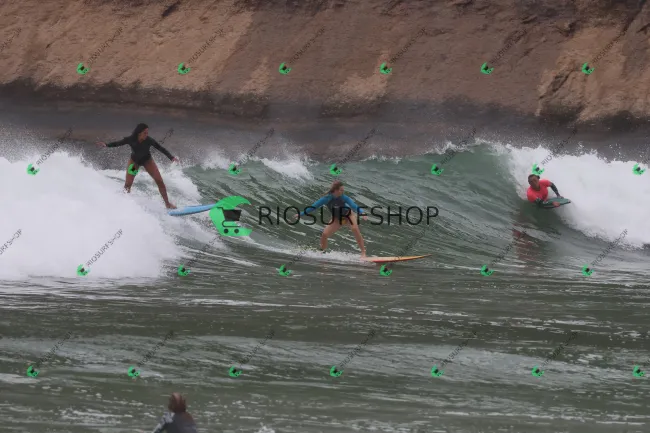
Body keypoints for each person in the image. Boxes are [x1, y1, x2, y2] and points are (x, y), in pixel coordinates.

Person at [96, 123, 179, 209]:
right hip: (135, 163)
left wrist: (171, 157)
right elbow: (118, 143)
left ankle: (167, 204)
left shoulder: (149, 140)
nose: (146, 135)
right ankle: (124, 204)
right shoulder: (131, 139)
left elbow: (160, 148)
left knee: (159, 181)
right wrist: (106, 145)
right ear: (139, 133)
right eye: (145, 133)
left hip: (147, 161)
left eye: (147, 133)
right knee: (128, 184)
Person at [295, 180, 368, 257]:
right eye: (341, 190)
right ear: (336, 190)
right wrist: (301, 214)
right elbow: (313, 207)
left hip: (348, 216)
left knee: (354, 229)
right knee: (324, 234)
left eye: (343, 190)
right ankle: (322, 252)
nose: (343, 192)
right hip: (337, 219)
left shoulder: (343, 197)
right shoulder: (326, 199)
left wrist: (362, 212)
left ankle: (363, 252)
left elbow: (354, 206)